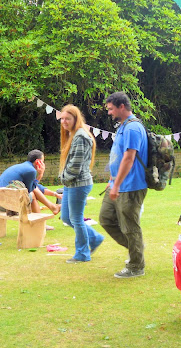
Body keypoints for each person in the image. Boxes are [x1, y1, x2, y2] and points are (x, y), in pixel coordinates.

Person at [99, 91, 148, 278]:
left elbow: (129, 158)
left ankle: (136, 266)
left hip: (131, 186)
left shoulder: (133, 128)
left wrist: (117, 184)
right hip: (118, 184)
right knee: (105, 218)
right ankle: (136, 247)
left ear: (121, 107)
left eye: (111, 109)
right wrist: (113, 180)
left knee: (130, 226)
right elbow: (119, 157)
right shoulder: (122, 126)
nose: (109, 112)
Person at [58, 104, 105, 263]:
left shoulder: (81, 136)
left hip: (79, 184)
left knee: (76, 219)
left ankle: (82, 253)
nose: (64, 121)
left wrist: (63, 178)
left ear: (75, 119)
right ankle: (95, 238)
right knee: (67, 217)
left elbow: (75, 166)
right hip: (71, 184)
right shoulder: (73, 134)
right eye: (62, 118)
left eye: (68, 118)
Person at [0, 150, 61, 216]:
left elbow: (35, 186)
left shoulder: (23, 167)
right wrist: (40, 175)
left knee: (32, 191)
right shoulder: (31, 171)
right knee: (32, 194)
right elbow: (31, 189)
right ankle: (42, 220)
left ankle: (52, 209)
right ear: (38, 162)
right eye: (43, 161)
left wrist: (55, 194)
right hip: (8, 206)